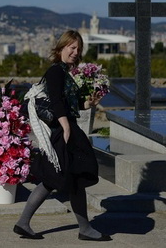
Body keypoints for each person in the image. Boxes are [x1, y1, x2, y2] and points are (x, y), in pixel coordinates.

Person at [14, 30, 111, 242]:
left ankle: (26, 223)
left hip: (65, 129)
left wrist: (88, 104)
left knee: (63, 178)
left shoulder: (65, 74)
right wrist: (66, 127)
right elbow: (57, 102)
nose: (75, 52)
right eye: (71, 47)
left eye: (78, 49)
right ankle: (82, 229)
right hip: (63, 131)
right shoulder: (55, 72)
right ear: (61, 48)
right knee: (61, 177)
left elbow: (71, 104)